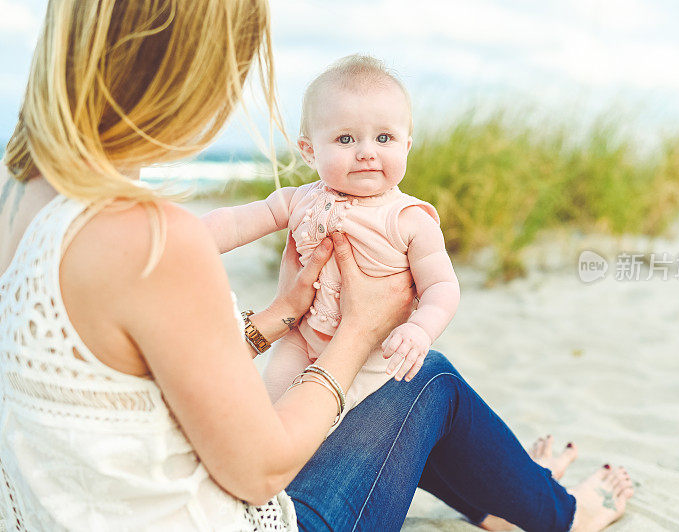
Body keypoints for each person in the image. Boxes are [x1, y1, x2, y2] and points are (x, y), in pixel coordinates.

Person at [0, 1, 634, 531]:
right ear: (193, 71)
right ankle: (553, 512)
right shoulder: (150, 240)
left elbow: (135, 374)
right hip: (232, 505)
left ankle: (512, 496)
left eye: (384, 138)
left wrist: (275, 318)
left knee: (401, 381)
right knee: (427, 381)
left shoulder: (21, 201)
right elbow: (259, 472)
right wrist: (365, 327)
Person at [201, 54, 460, 427]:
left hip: (371, 357)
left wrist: (421, 328)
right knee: (269, 416)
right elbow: (237, 221)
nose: (367, 151)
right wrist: (187, 241)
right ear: (309, 151)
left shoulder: (410, 219)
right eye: (345, 139)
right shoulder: (299, 199)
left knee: (325, 426)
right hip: (300, 336)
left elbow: (442, 285)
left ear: (406, 146)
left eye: (383, 138)